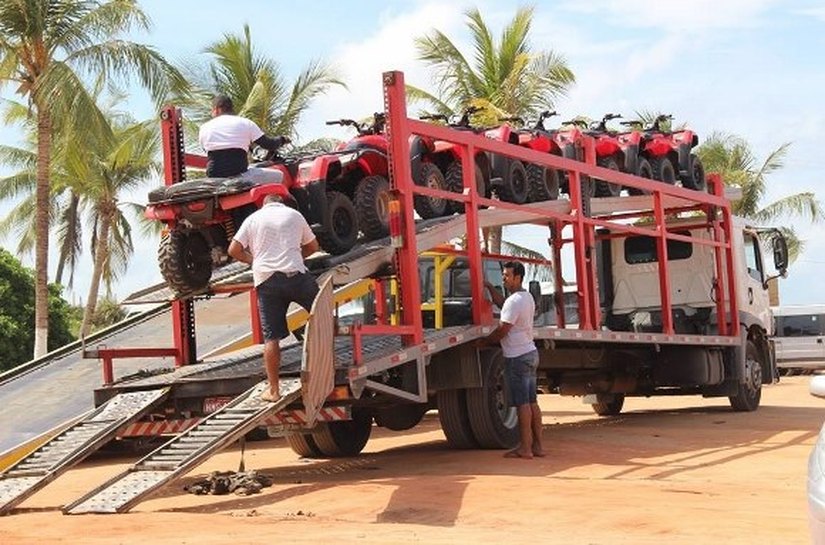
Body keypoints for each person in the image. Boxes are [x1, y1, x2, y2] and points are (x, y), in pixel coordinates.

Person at [228, 193, 320, 402]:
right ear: (281, 204)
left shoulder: (252, 219)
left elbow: (233, 250)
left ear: (264, 205)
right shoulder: (294, 215)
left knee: (272, 338)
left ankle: (274, 390)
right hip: (296, 275)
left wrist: (254, 261)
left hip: (267, 280)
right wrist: (295, 256)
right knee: (323, 316)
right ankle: (325, 366)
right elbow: (314, 246)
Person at [480, 261, 545, 459]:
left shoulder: (514, 301)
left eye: (507, 275)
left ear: (518, 277)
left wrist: (485, 342)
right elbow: (504, 304)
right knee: (532, 402)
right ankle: (538, 447)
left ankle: (525, 448)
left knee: (522, 404)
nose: (504, 278)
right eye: (503, 275)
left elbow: (503, 329)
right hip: (530, 353)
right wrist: (490, 288)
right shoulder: (526, 298)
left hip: (517, 358)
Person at [198, 94, 290, 178]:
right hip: (240, 176)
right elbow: (270, 144)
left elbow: (206, 149)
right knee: (280, 175)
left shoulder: (204, 128)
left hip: (213, 178)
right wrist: (282, 139)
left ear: (216, 109)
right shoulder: (245, 123)